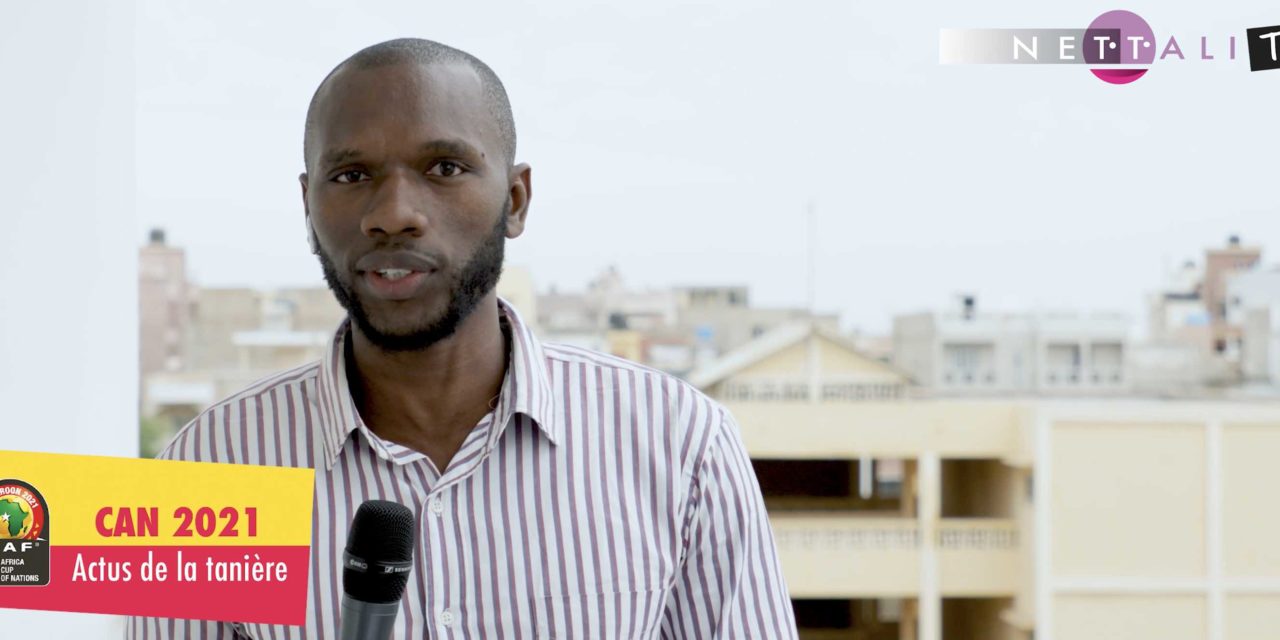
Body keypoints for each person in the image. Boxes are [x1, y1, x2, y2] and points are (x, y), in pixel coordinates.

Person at [126, 38, 798, 639]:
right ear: (308, 205)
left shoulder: (679, 443)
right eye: (351, 176)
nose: (394, 215)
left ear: (516, 200)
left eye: (444, 168)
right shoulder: (208, 472)